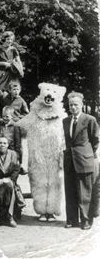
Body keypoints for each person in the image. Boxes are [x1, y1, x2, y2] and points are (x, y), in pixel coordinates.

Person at [62, 92, 99, 230]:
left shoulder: (89, 119)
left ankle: (86, 220)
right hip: (69, 160)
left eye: (76, 105)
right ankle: (72, 219)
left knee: (85, 191)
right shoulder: (65, 121)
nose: (73, 107)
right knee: (70, 190)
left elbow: (95, 140)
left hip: (84, 160)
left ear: (81, 105)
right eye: (71, 105)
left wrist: (88, 153)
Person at [0, 134, 20, 227]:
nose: (2, 145)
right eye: (0, 143)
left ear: (8, 145)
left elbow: (16, 169)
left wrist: (9, 179)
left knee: (9, 186)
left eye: (4, 143)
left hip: (8, 180)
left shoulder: (13, 154)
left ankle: (10, 216)